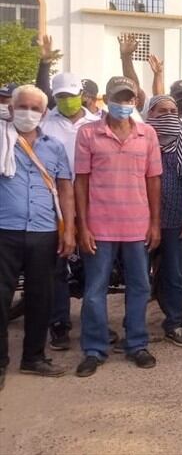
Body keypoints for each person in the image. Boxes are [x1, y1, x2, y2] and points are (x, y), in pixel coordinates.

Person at [73, 76, 162, 378]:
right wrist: (82, 226)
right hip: (99, 226)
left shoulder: (147, 134)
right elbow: (81, 182)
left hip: (138, 226)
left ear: (135, 101)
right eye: (118, 98)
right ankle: (94, 349)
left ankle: (136, 343)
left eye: (128, 99)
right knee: (95, 290)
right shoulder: (88, 134)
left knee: (140, 287)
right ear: (105, 100)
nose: (123, 104)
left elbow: (153, 180)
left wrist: (155, 223)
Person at [0, 85, 75, 387]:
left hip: (44, 233)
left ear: (44, 113)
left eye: (34, 108)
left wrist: (69, 228)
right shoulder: (2, 140)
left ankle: (33, 357)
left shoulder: (54, 146)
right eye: (22, 106)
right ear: (11, 108)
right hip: (5, 231)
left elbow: (66, 190)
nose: (28, 113)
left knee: (41, 298)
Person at [36, 70, 104, 350]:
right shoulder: (45, 124)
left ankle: (94, 324)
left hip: (92, 201)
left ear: (82, 96)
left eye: (70, 96)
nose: (66, 101)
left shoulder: (97, 122)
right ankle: (59, 325)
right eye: (60, 97)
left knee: (93, 266)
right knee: (57, 267)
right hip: (56, 204)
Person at [144, 95, 182, 347]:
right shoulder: (141, 138)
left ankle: (174, 323)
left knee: (174, 274)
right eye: (162, 111)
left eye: (173, 111)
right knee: (139, 276)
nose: (168, 116)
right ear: (150, 113)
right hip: (141, 219)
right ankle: (133, 328)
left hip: (175, 217)